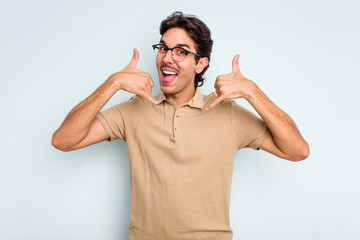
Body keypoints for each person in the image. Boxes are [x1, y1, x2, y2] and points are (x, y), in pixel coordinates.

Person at [52, 11, 309, 240]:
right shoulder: (134, 109)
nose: (167, 58)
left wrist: (253, 92)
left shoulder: (228, 114)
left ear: (200, 64)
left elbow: (297, 150)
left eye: (181, 51)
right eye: (163, 48)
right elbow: (63, 140)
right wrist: (112, 84)